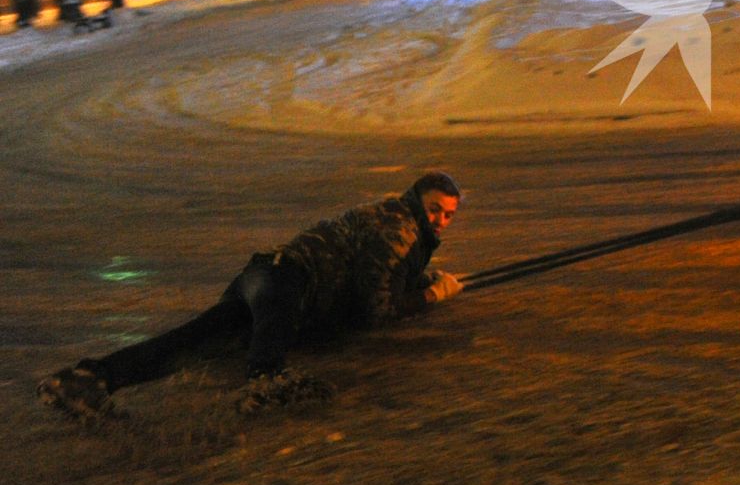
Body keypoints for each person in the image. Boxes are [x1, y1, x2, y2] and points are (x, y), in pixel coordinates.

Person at [38, 171, 467, 419]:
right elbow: (377, 306)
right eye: (435, 210)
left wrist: (421, 282)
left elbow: (373, 278)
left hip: (264, 277)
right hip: (287, 282)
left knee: (192, 340)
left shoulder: (394, 215)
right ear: (417, 200)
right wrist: (431, 297)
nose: (441, 221)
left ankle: (89, 379)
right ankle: (265, 376)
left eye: (448, 214)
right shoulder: (400, 227)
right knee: (263, 367)